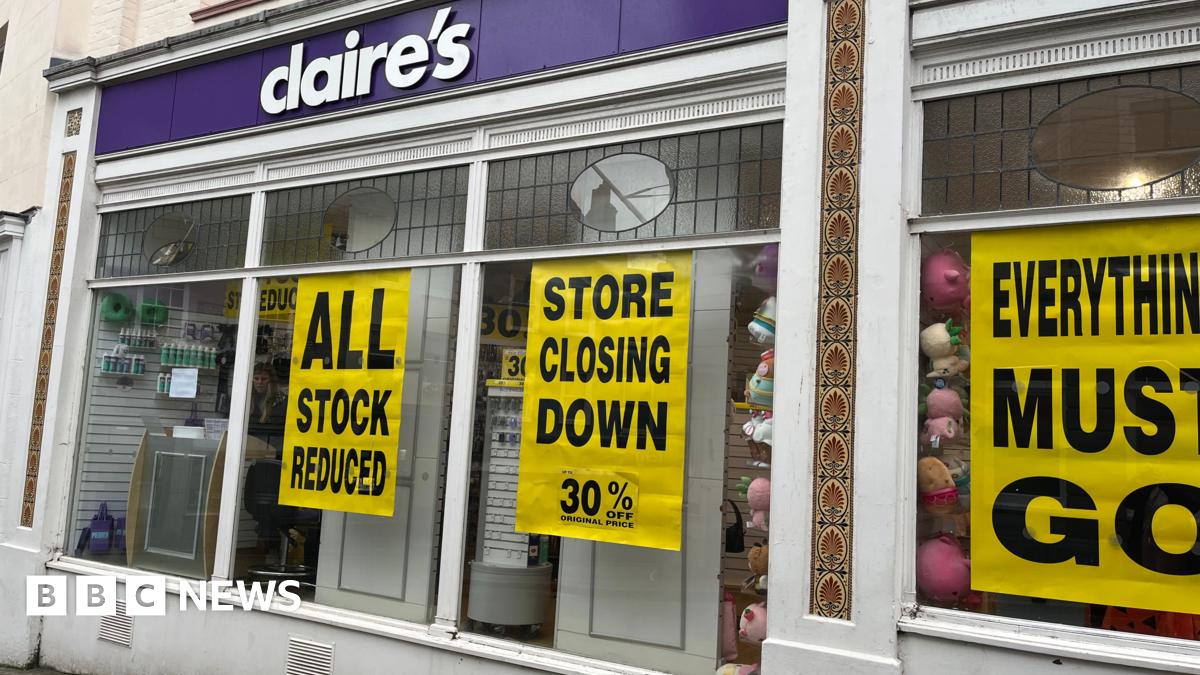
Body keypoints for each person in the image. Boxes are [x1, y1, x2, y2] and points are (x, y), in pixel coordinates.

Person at [247, 362, 288, 452]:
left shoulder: (280, 400)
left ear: (271, 381)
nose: (259, 382)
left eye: (264, 379)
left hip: (272, 450)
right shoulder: (246, 399)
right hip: (249, 448)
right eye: (256, 378)